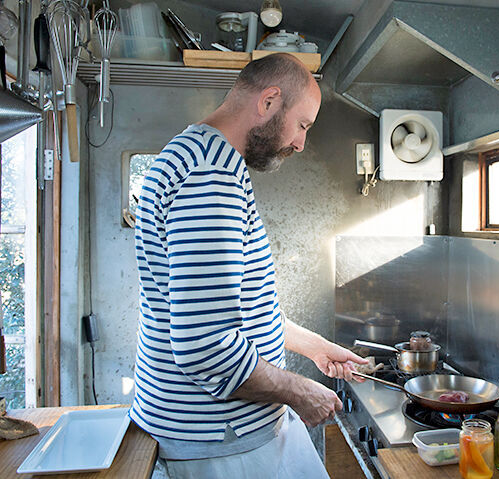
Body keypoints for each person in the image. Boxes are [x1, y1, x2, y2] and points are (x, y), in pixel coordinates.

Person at [130, 53, 368, 478]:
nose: (300, 143)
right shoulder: (210, 176)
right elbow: (205, 345)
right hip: (218, 441)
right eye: (302, 125)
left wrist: (315, 347)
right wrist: (298, 391)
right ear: (269, 101)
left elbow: (239, 311)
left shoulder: (196, 155)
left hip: (224, 434)